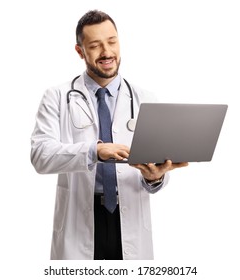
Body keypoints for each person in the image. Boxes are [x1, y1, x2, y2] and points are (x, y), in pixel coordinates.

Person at [30, 10, 188, 260]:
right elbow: (41, 156)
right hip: (79, 218)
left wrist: (155, 178)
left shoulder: (145, 99)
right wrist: (94, 151)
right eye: (95, 45)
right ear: (80, 51)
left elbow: (156, 169)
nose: (106, 52)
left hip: (129, 216)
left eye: (112, 41)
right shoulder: (57, 97)